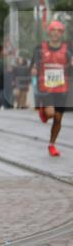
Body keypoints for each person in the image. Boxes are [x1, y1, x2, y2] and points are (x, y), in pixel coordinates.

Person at [33, 20, 72, 156]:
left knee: (58, 119)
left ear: (62, 34)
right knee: (50, 113)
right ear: (49, 32)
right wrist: (33, 69)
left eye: (59, 31)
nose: (56, 33)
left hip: (62, 87)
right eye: (53, 30)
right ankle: (44, 112)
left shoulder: (68, 49)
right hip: (46, 86)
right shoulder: (40, 48)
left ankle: (52, 144)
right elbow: (34, 64)